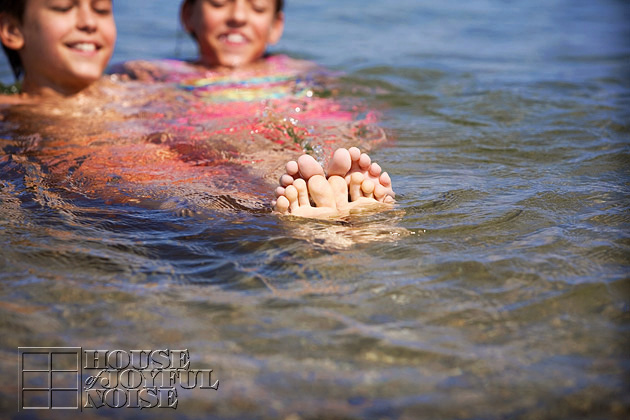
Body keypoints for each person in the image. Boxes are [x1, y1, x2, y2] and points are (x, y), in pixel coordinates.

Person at [0, 0, 116, 103]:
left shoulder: (129, 86)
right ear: (12, 31)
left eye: (101, 10)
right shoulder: (7, 113)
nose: (90, 22)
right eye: (63, 8)